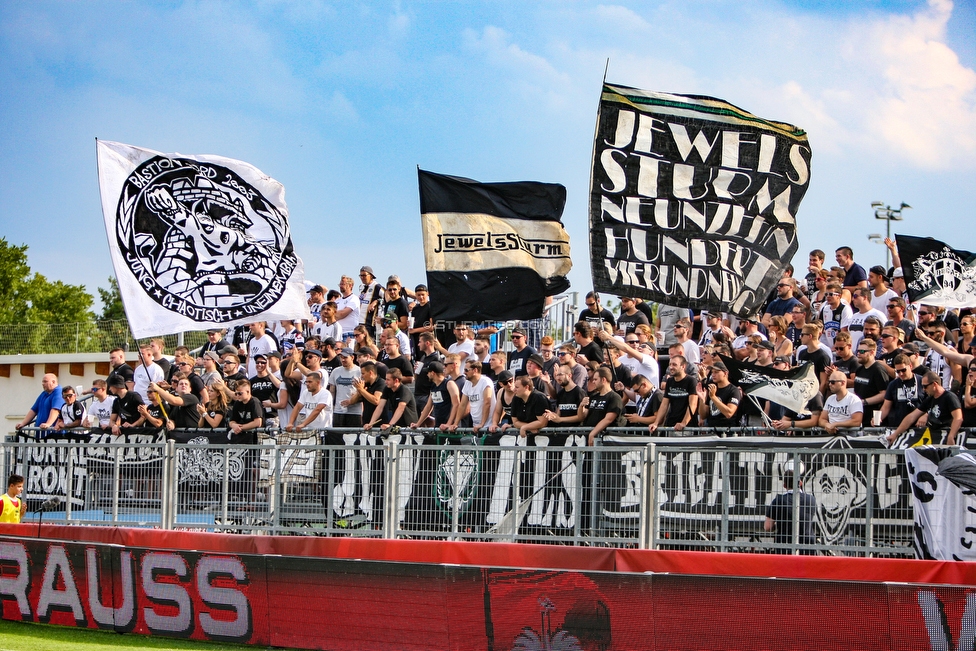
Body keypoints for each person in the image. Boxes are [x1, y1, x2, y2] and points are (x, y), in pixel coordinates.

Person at [886, 371, 963, 446]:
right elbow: (912, 416)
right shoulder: (930, 400)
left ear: (934, 384)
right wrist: (895, 434)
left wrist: (951, 436)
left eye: (925, 386)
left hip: (946, 435)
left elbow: (958, 418)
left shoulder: (949, 397)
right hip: (934, 437)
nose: (923, 389)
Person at [764, 463, 817, 554]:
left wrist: (781, 523)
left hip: (785, 546)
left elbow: (767, 527)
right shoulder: (811, 499)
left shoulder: (779, 500)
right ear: (800, 483)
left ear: (784, 485)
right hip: (807, 546)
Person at [648, 355, 699, 434]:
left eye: (674, 365)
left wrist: (684, 423)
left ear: (683, 366)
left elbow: (693, 404)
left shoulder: (691, 381)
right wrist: (656, 423)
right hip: (671, 424)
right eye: (670, 364)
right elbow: (664, 404)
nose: (671, 367)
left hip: (687, 427)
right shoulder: (670, 381)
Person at [580, 366, 624, 445]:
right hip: (589, 437)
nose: (593, 382)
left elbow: (608, 419)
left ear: (603, 380)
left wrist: (593, 433)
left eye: (595, 379)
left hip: (605, 439)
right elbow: (582, 416)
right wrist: (581, 406)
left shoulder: (614, 397)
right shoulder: (593, 396)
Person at [879, 354, 924, 428]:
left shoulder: (921, 381)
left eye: (903, 370)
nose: (901, 374)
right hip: (899, 425)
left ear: (910, 366)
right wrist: (878, 418)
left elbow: (932, 403)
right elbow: (886, 407)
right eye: (898, 371)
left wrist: (925, 416)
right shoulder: (893, 384)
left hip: (920, 426)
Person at [411, 361, 459, 430]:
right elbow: (428, 406)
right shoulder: (433, 386)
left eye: (428, 372)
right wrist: (418, 424)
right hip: (438, 425)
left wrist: (448, 424)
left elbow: (456, 404)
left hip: (450, 427)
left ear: (433, 373)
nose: (427, 374)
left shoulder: (449, 383)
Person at [853, 338, 889, 427]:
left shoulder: (878, 370)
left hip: (873, 415)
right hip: (859, 413)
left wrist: (864, 402)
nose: (858, 354)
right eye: (858, 351)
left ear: (872, 352)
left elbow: (884, 394)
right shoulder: (859, 369)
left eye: (862, 351)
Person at [819, 370, 864, 434]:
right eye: (829, 382)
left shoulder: (854, 399)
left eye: (833, 382)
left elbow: (856, 421)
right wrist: (827, 425)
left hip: (849, 437)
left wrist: (835, 424)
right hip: (831, 436)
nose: (829, 384)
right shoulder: (830, 399)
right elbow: (821, 419)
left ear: (843, 383)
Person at [543, 363, 587, 427]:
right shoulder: (561, 393)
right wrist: (551, 415)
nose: (558, 378)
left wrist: (561, 419)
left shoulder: (579, 392)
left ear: (569, 375)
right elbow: (558, 413)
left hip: (576, 432)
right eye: (556, 375)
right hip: (562, 432)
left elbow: (582, 417)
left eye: (560, 375)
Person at [456, 360, 494, 432]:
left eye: (466, 370)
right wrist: (456, 423)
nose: (464, 372)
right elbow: (462, 405)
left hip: (488, 425)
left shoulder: (485, 382)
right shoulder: (467, 383)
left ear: (475, 370)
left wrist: (482, 424)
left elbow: (487, 403)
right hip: (476, 425)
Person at [328, 348, 362, 428]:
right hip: (338, 410)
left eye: (345, 357)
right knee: (338, 436)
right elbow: (332, 390)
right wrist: (331, 405)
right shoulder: (336, 371)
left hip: (355, 411)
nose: (343, 360)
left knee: (353, 436)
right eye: (341, 357)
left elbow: (362, 391)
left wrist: (353, 400)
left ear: (352, 357)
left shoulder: (359, 371)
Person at [701, 361, 741, 428]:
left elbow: (729, 413)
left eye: (716, 372)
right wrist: (701, 399)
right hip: (711, 430)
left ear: (725, 373)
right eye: (712, 372)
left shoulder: (733, 390)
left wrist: (713, 397)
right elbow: (703, 415)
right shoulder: (712, 388)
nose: (713, 375)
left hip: (727, 432)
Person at [346, 361, 385, 428]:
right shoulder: (365, 384)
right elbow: (352, 401)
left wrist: (361, 390)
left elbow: (376, 400)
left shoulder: (381, 383)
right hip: (366, 423)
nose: (362, 376)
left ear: (370, 373)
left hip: (380, 424)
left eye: (363, 373)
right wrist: (359, 391)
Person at [227, 379, 265, 444]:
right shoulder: (237, 403)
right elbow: (232, 420)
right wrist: (234, 425)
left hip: (256, 437)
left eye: (240, 393)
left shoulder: (254, 402)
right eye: (236, 394)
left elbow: (258, 422)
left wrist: (240, 428)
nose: (238, 396)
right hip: (243, 437)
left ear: (248, 392)